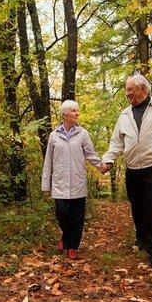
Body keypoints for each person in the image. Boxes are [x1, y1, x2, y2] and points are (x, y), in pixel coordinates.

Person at [100, 74, 152, 267]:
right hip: (133, 168)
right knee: (137, 207)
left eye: (130, 89)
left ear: (143, 89)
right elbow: (116, 142)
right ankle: (142, 239)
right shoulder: (125, 114)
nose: (127, 93)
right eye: (127, 89)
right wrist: (109, 159)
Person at [42, 100, 102, 260]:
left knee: (77, 217)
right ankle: (66, 236)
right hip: (59, 183)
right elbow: (48, 161)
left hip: (77, 182)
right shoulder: (54, 135)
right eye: (74, 111)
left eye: (78, 110)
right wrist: (45, 184)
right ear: (65, 114)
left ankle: (72, 246)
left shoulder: (83, 134)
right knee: (61, 213)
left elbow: (90, 154)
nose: (77, 113)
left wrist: (101, 165)